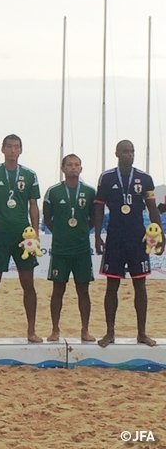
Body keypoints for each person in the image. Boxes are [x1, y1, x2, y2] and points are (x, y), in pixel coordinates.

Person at [94, 140, 163, 347]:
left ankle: (142, 333)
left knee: (140, 286)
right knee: (112, 285)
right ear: (117, 153)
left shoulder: (144, 178)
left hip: (137, 238)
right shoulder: (107, 178)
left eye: (132, 151)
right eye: (125, 151)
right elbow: (98, 208)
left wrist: (160, 233)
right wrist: (98, 235)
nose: (129, 154)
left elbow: (152, 208)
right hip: (115, 237)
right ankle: (110, 333)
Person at [0, 134, 42, 344]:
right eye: (9, 147)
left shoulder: (30, 175)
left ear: (21, 150)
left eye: (16, 147)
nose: (13, 151)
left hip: (23, 237)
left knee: (28, 283)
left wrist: (36, 233)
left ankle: (31, 331)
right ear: (2, 149)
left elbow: (33, 206)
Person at [43, 154, 96, 342]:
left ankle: (85, 330)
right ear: (62, 168)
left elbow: (94, 218)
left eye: (77, 165)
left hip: (82, 249)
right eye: (70, 165)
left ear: (81, 169)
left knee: (83, 291)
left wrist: (81, 231)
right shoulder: (53, 192)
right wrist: (59, 232)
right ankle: (55, 329)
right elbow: (47, 218)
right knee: (58, 290)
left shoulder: (90, 192)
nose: (74, 168)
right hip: (60, 250)